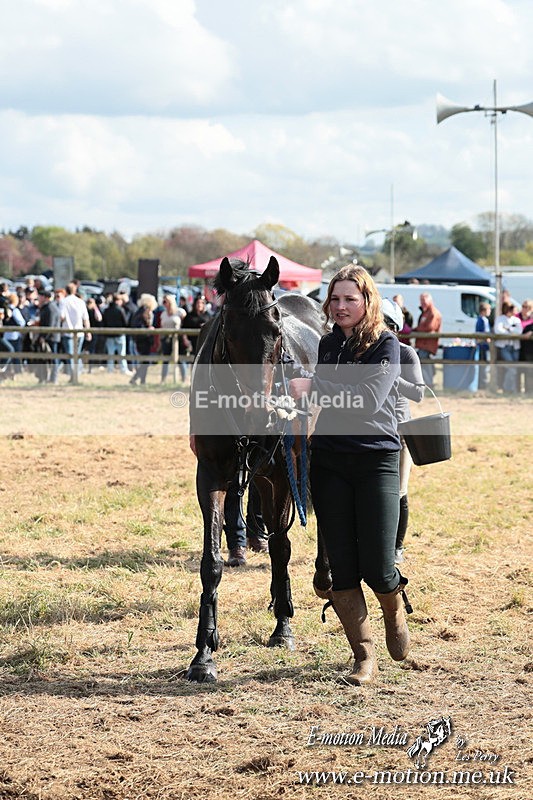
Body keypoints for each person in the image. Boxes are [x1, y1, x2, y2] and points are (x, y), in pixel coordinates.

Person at [289, 265, 410, 686]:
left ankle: (393, 609)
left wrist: (312, 389)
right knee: (341, 568)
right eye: (335, 299)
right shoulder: (327, 344)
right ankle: (363, 657)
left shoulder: (386, 345)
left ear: (367, 302)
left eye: (349, 299)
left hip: (376, 459)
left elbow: (368, 400)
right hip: (329, 461)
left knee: (379, 566)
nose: (340, 307)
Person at [382, 299, 424, 564]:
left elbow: (418, 392)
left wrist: (390, 376)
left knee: (399, 492)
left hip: (399, 432)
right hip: (371, 431)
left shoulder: (407, 354)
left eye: (385, 323)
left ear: (394, 327)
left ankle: (396, 547)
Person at [413, 292, 442, 389]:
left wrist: (417, 330)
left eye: (424, 301)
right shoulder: (425, 313)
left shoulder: (433, 313)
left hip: (427, 344)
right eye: (421, 301)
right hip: (423, 344)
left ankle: (429, 384)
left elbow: (430, 327)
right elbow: (423, 326)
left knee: (423, 364)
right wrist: (414, 330)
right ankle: (429, 384)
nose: (422, 303)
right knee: (425, 364)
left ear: (430, 301)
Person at [494, 302, 522, 393]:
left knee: (514, 368)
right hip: (504, 346)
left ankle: (511, 388)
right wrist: (511, 332)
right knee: (511, 368)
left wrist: (508, 329)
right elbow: (498, 331)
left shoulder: (517, 320)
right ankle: (507, 388)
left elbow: (519, 331)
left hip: (515, 347)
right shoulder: (500, 319)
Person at [102, 294, 132, 376]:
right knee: (121, 353)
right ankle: (123, 369)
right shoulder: (120, 310)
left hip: (109, 335)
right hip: (119, 334)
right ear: (118, 301)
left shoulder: (106, 310)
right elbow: (125, 322)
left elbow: (104, 322)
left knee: (110, 354)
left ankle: (110, 370)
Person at [159, 294, 186, 383]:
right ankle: (163, 380)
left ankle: (183, 379)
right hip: (166, 339)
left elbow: (185, 323)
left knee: (179, 360)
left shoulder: (180, 312)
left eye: (165, 301)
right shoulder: (163, 314)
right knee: (165, 360)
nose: (164, 304)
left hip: (177, 339)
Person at [36, 290, 61, 383]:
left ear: (45, 297)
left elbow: (49, 325)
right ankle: (45, 378)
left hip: (50, 337)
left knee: (53, 358)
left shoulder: (50, 308)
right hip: (51, 337)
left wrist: (43, 336)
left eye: (40, 296)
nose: (39, 298)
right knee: (46, 358)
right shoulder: (49, 307)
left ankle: (53, 379)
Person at [129, 306, 154, 385]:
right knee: (145, 362)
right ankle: (136, 379)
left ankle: (142, 380)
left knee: (145, 363)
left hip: (146, 343)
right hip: (142, 343)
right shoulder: (139, 321)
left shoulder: (143, 319)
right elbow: (140, 333)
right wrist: (149, 330)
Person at [517, 299, 533, 394]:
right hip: (521, 349)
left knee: (529, 372)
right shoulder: (517, 318)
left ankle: (529, 390)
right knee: (522, 370)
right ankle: (521, 390)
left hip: (529, 351)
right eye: (523, 306)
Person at [475, 302, 492, 390]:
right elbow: (483, 334)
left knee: (483, 366)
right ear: (483, 311)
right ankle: (483, 384)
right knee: (484, 366)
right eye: (489, 309)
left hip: (482, 345)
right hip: (483, 346)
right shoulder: (483, 320)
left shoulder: (480, 319)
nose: (490, 311)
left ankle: (482, 383)